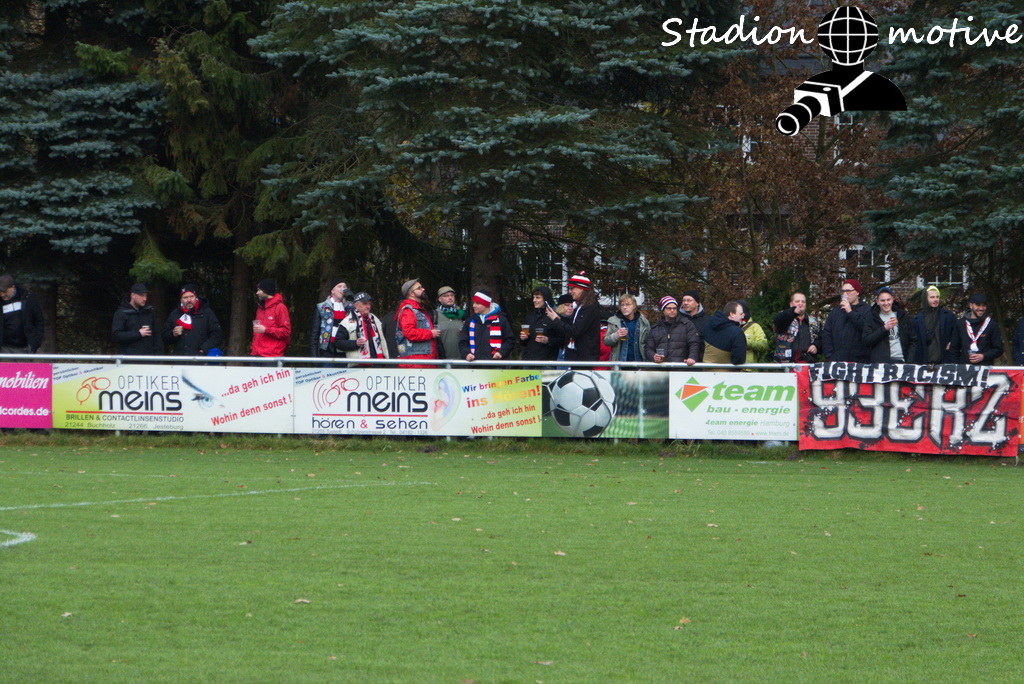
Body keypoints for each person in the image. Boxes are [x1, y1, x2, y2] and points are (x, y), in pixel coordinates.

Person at [545, 272, 602, 362]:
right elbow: (571, 323)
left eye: (572, 288)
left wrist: (556, 320)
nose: (570, 291)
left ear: (582, 288)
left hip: (584, 358)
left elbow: (575, 331)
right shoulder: (580, 306)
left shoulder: (590, 307)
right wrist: (558, 317)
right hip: (574, 355)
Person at [161, 284, 223, 356]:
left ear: (196, 297)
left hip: (201, 358)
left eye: (191, 296)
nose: (189, 300)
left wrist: (203, 350)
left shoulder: (206, 313)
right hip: (180, 359)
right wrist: (173, 334)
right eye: (185, 297)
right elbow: (164, 337)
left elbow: (217, 335)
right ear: (181, 300)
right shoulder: (175, 314)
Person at [821, 279, 871, 362]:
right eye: (843, 291)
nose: (845, 294)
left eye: (848, 291)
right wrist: (829, 355)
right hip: (837, 360)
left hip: (859, 361)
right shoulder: (835, 312)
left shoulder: (867, 310)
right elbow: (827, 334)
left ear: (857, 292)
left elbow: (867, 329)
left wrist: (850, 312)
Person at [459, 290, 515, 361]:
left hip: (495, 364)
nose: (474, 306)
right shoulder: (470, 321)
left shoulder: (501, 320)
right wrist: (467, 353)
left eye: (477, 303)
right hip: (474, 364)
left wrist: (501, 352)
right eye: (474, 303)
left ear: (486, 304)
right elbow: (463, 342)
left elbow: (509, 340)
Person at [906, 285, 957, 365]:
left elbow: (957, 333)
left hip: (945, 362)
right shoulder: (916, 321)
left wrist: (952, 343)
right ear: (925, 299)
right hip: (924, 363)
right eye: (932, 297)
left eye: (937, 297)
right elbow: (913, 343)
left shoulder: (949, 317)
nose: (935, 299)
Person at [395, 278, 440, 366]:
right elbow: (409, 332)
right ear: (412, 293)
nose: (423, 289)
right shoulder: (408, 310)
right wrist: (430, 334)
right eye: (419, 288)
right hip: (416, 361)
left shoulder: (417, 309)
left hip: (422, 359)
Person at [950, 293, 1003, 365]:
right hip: (964, 368)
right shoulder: (960, 324)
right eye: (978, 305)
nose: (981, 308)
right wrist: (957, 366)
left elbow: (998, 349)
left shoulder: (991, 324)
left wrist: (984, 356)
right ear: (971, 305)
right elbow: (954, 349)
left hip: (985, 368)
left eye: (983, 305)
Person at [333, 292, 389, 361]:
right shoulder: (347, 322)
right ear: (356, 305)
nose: (368, 306)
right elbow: (338, 342)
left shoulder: (375, 319)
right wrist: (355, 343)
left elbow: (384, 339)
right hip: (358, 363)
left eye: (369, 304)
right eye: (365, 304)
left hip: (378, 361)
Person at [644, 296, 699, 365]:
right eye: (669, 308)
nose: (672, 310)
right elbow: (648, 348)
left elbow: (694, 343)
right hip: (661, 367)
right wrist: (653, 356)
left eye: (674, 308)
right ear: (663, 310)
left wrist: (692, 357)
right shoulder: (655, 328)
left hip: (681, 366)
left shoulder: (687, 325)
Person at [862, 286, 910, 362]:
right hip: (881, 362)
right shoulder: (871, 317)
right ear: (877, 302)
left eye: (888, 300)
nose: (886, 303)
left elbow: (912, 339)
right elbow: (867, 340)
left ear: (892, 299)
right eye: (882, 300)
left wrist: (910, 360)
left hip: (901, 359)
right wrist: (884, 328)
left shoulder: (901, 315)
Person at [111, 283, 161, 356]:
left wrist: (157, 356)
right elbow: (116, 336)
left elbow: (157, 335)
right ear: (133, 295)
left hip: (149, 359)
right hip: (129, 359)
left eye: (146, 295)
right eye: (142, 295)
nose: (145, 299)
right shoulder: (121, 313)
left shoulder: (149, 312)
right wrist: (138, 334)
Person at [0, 274, 44, 354]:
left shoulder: (27, 298)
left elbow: (38, 321)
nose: (2, 295)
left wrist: (36, 343)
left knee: (23, 363)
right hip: (4, 348)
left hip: (24, 348)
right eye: (0, 292)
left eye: (5, 291)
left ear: (12, 287)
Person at [773, 291, 821, 363]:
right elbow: (778, 322)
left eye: (803, 302)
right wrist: (793, 312)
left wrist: (816, 346)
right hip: (785, 363)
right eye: (797, 301)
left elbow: (821, 339)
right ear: (791, 304)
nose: (800, 304)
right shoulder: (784, 316)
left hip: (808, 363)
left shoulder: (814, 321)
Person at [310, 278, 353, 358]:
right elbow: (314, 334)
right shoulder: (322, 307)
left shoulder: (350, 307)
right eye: (339, 286)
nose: (342, 289)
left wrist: (353, 298)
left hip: (345, 348)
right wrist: (314, 356)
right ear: (332, 291)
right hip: (327, 349)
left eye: (344, 287)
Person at [520, 286, 564, 361]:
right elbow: (524, 343)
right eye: (533, 297)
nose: (534, 300)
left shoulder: (554, 317)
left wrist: (548, 340)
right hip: (528, 360)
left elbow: (563, 340)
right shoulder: (530, 316)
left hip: (547, 361)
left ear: (546, 299)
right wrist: (523, 338)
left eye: (538, 297)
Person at [251, 278, 291, 358]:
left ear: (266, 290)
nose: (257, 293)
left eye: (259, 290)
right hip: (256, 354)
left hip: (272, 356)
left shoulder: (280, 307)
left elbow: (286, 332)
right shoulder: (260, 308)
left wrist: (266, 330)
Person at [604, 293, 649, 363]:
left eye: (628, 304)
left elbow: (649, 343)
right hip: (619, 363)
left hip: (639, 362)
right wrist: (616, 335)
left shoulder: (643, 322)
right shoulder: (613, 321)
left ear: (634, 306)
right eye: (622, 305)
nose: (624, 307)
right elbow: (606, 341)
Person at [702, 301, 748, 366]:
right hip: (727, 371)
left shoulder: (708, 325)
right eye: (741, 314)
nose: (743, 317)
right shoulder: (737, 332)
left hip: (705, 370)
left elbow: (701, 347)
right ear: (732, 314)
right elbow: (739, 360)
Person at [434, 286, 465, 360]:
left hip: (463, 359)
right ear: (440, 299)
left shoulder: (462, 314)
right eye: (446, 296)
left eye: (452, 295)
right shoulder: (434, 315)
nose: (450, 298)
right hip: (442, 360)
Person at [679, 289, 708, 361]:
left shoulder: (708, 320)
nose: (685, 303)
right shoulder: (677, 319)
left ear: (697, 303)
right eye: (683, 300)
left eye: (689, 300)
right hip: (680, 362)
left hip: (701, 362)